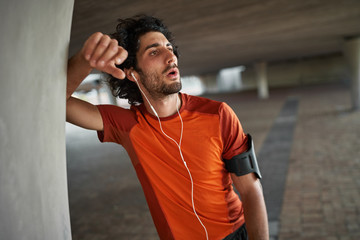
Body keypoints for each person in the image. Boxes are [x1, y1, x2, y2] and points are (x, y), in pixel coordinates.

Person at [66, 15, 269, 240]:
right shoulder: (127, 125)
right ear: (133, 73)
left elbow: (251, 190)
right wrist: (85, 61)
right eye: (154, 52)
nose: (171, 57)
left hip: (236, 234)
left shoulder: (218, 114)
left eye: (169, 48)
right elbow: (58, 105)